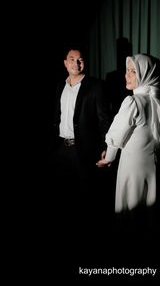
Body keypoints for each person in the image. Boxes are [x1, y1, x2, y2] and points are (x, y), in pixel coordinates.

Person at [96, 53, 160, 264]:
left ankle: (129, 259)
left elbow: (117, 135)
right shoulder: (159, 101)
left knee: (130, 215)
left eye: (133, 71)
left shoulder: (133, 101)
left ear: (146, 75)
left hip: (132, 169)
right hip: (153, 168)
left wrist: (108, 157)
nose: (127, 75)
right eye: (127, 70)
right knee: (149, 216)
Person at [46, 45, 112, 271]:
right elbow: (57, 117)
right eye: (72, 59)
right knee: (61, 200)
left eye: (80, 59)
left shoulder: (95, 86)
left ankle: (87, 251)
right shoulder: (59, 86)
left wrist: (105, 146)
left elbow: (105, 120)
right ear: (65, 63)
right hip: (60, 151)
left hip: (81, 152)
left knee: (85, 201)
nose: (76, 63)